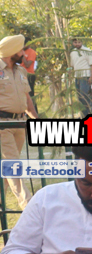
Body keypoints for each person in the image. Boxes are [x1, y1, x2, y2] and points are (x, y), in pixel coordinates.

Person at [1, 35, 38, 208]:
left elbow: (27, 99)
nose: (23, 53)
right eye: (20, 50)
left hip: (20, 123)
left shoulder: (21, 71)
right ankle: (28, 204)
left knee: (8, 167)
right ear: (11, 51)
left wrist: (36, 120)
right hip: (2, 125)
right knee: (12, 164)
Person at [69, 39, 92, 115]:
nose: (77, 44)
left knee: (84, 95)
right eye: (75, 42)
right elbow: (72, 65)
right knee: (79, 96)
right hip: (77, 76)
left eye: (79, 42)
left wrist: (91, 77)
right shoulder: (72, 52)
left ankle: (87, 113)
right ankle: (83, 114)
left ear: (82, 42)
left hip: (85, 75)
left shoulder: (87, 51)